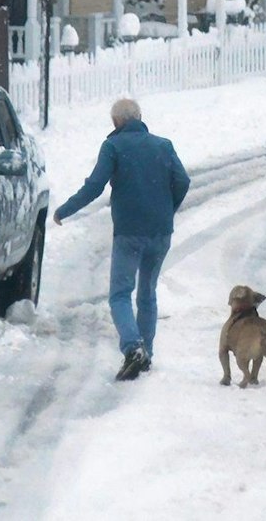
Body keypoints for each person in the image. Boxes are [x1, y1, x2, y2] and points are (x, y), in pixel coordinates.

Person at [54, 96, 190, 382]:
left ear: (116, 122)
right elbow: (183, 181)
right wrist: (167, 209)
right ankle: (147, 353)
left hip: (129, 232)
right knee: (147, 292)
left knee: (119, 294)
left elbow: (94, 186)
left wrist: (65, 210)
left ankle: (132, 347)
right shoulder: (163, 145)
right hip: (160, 232)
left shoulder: (113, 146)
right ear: (140, 117)